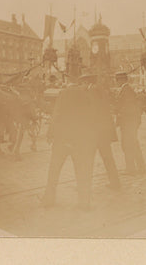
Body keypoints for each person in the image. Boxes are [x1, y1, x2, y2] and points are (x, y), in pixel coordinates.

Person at [41, 75, 98, 210]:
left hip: (62, 139)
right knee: (82, 171)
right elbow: (92, 116)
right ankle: (84, 203)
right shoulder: (86, 95)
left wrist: (50, 134)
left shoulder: (63, 93)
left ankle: (48, 199)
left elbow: (57, 114)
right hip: (80, 140)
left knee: (54, 170)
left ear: (68, 82)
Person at [88, 74, 121, 190]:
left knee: (88, 159)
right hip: (104, 132)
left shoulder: (92, 91)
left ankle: (85, 185)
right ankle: (115, 182)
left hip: (95, 132)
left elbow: (92, 111)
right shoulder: (101, 91)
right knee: (108, 158)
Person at [115, 72, 146, 175]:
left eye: (117, 80)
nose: (116, 82)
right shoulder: (126, 89)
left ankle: (131, 169)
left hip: (128, 122)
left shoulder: (126, 90)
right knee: (133, 144)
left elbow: (129, 107)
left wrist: (119, 113)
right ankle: (140, 168)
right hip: (129, 122)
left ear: (122, 80)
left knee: (128, 145)